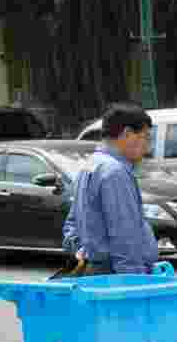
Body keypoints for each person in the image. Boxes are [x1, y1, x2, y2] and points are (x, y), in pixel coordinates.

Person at [61, 104, 157, 274]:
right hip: (117, 275)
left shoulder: (92, 165)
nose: (148, 147)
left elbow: (72, 225)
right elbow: (124, 236)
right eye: (146, 137)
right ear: (127, 134)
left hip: (100, 269)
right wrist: (133, 281)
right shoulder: (115, 172)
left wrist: (85, 252)